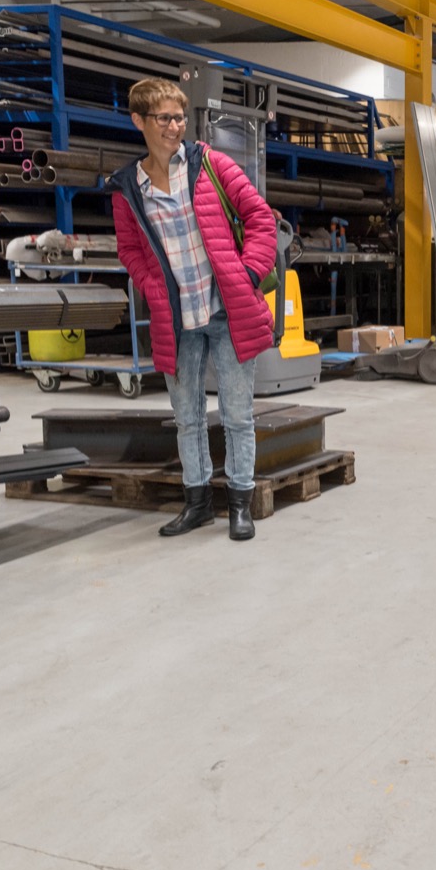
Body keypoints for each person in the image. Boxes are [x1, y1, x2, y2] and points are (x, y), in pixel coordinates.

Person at [110, 77, 276, 542]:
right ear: (139, 121)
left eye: (180, 118)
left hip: (227, 312)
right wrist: (151, 286)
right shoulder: (128, 189)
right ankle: (197, 504)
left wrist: (247, 273)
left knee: (238, 415)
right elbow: (129, 250)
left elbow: (260, 217)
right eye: (164, 118)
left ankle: (239, 504)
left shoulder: (211, 165)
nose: (174, 127)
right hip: (176, 319)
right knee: (188, 419)